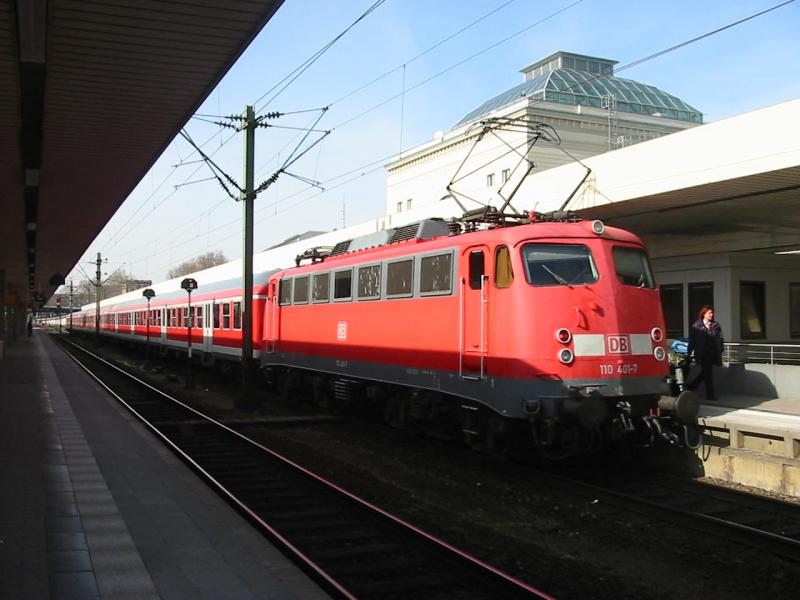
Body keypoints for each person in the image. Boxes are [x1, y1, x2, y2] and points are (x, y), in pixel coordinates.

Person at [686, 305, 723, 400]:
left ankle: (692, 386)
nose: (712, 314)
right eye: (709, 313)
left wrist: (721, 349)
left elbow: (720, 338)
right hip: (702, 353)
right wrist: (689, 353)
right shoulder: (696, 326)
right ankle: (710, 395)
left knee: (705, 373)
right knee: (708, 373)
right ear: (704, 314)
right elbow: (692, 341)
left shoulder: (716, 325)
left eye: (712, 313)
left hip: (712, 352)